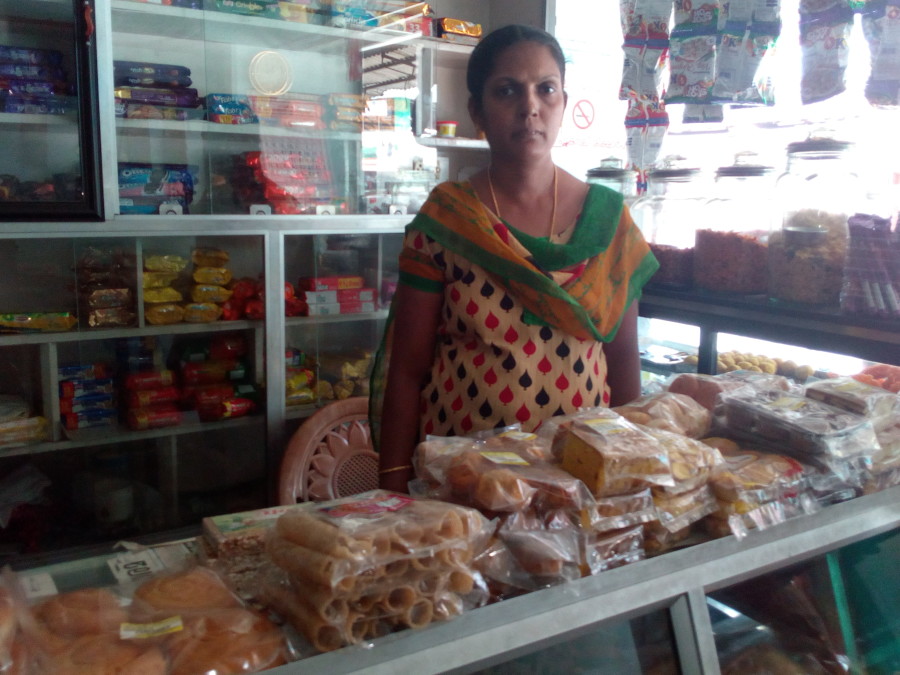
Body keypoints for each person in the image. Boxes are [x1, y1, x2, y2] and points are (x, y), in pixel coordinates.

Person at [372, 24, 658, 493]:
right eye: (507, 91)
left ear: (563, 102)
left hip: (578, 479)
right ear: (477, 111)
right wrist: (393, 486)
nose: (530, 107)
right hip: (462, 482)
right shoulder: (448, 220)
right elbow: (406, 369)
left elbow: (623, 356)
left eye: (546, 89)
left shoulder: (609, 222)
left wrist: (630, 477)